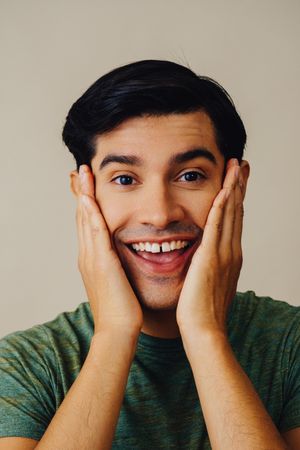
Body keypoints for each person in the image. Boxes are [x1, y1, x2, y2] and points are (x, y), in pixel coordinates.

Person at [0, 59, 299, 450]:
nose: (159, 214)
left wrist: (206, 335)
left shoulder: (290, 345)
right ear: (84, 194)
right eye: (124, 179)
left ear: (236, 184)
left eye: (190, 175)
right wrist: (113, 335)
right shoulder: (25, 365)